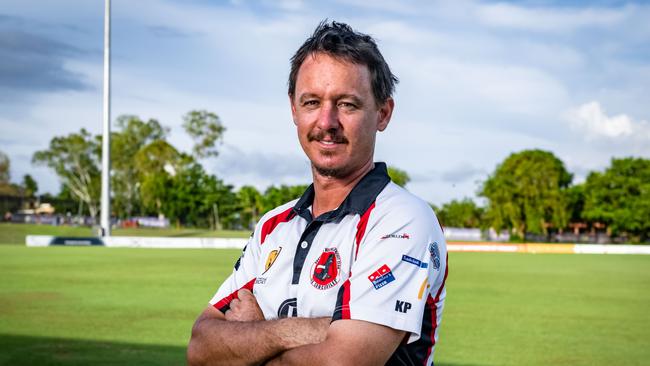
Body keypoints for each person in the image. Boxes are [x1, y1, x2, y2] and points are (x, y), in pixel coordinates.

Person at [187, 20, 448, 366]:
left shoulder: (401, 219)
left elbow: (341, 363)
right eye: (311, 102)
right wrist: (294, 332)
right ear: (294, 110)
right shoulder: (273, 226)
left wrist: (253, 336)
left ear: (383, 113)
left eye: (347, 104)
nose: (327, 122)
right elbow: (201, 349)